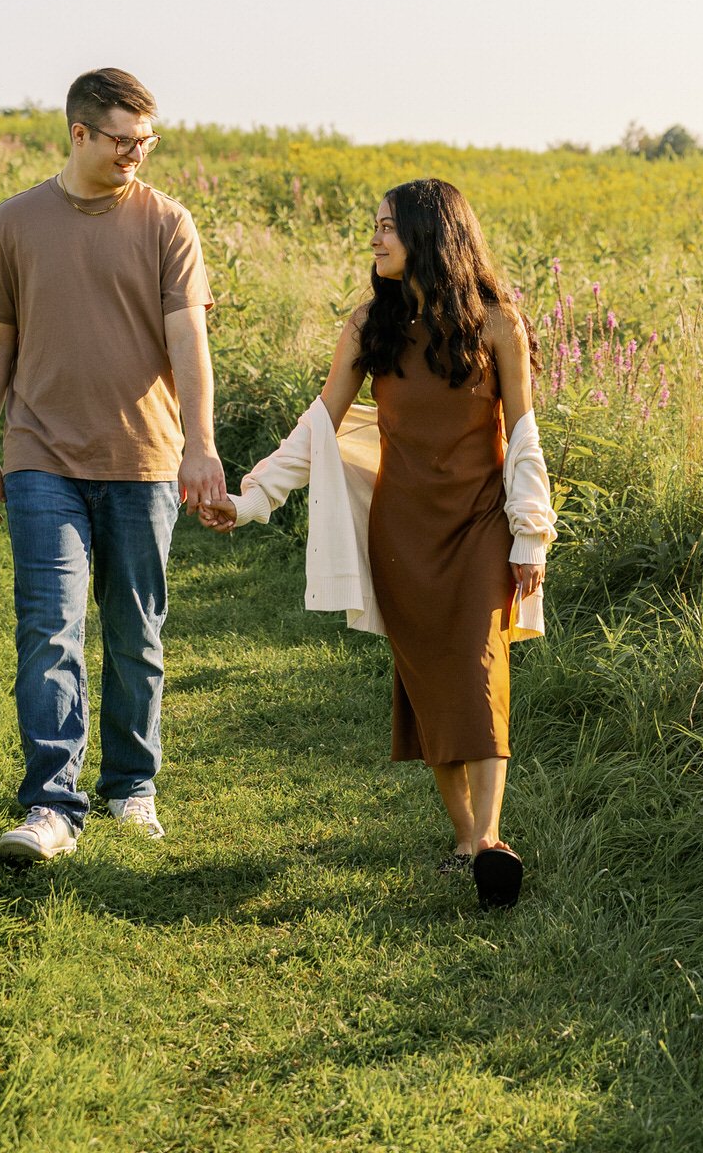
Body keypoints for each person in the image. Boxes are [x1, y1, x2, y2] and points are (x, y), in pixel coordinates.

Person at [204, 179, 554, 909]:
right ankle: (467, 840)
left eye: (388, 226)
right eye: (375, 226)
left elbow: (522, 435)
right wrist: (252, 499)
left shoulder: (498, 325)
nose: (376, 239)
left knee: (481, 670)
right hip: (402, 531)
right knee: (428, 683)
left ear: (430, 234)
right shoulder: (370, 324)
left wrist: (531, 534)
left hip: (483, 521)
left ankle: (489, 841)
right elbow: (319, 425)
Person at [0, 68, 228, 862]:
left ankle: (131, 786)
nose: (136, 155)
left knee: (135, 629)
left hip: (145, 456)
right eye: (123, 141)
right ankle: (51, 804)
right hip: (42, 453)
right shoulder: (16, 223)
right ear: (79, 133)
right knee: (51, 625)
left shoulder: (168, 224)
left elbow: (189, 340)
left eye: (146, 141)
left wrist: (201, 443)